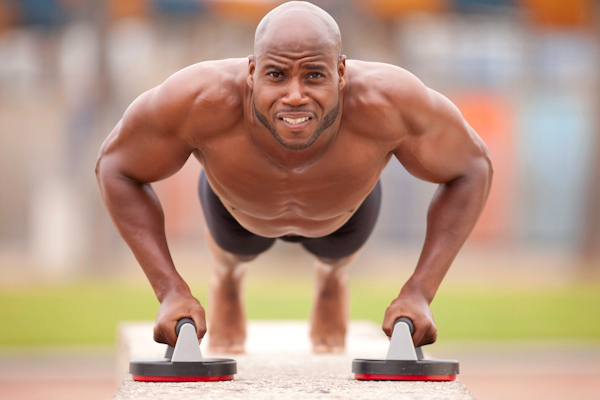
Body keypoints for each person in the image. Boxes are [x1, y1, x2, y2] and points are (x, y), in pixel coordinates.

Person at [96, 1, 492, 354]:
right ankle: (228, 278)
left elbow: (472, 168)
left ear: (341, 72)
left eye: (314, 76)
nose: (295, 95)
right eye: (277, 75)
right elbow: (116, 166)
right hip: (236, 207)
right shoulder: (201, 100)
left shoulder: (389, 103)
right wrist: (170, 291)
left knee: (337, 254)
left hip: (344, 210)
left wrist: (420, 292)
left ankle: (333, 278)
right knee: (234, 250)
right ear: (252, 72)